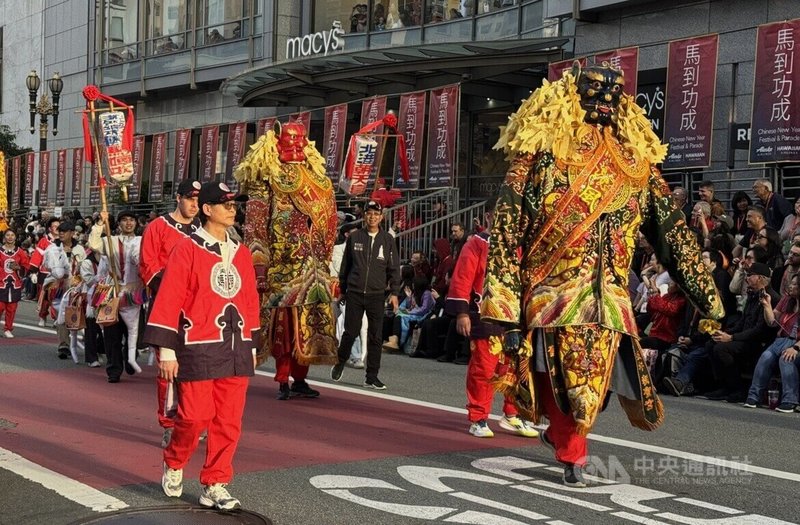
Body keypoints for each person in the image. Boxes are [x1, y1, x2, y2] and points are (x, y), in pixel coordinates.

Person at [480, 63, 723, 487]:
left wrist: (708, 298)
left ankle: (567, 439)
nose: (605, 100)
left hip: (611, 295)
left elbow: (672, 235)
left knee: (598, 382)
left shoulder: (636, 165)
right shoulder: (542, 157)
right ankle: (571, 449)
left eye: (613, 93)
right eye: (594, 92)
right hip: (552, 291)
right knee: (556, 375)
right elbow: (505, 230)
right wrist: (501, 300)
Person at [143, 181, 259, 511]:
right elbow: (169, 297)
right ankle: (175, 459)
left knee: (229, 421)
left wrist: (252, 343)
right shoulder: (188, 249)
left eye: (234, 204)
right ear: (208, 210)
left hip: (235, 345)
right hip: (197, 344)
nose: (232, 209)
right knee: (194, 418)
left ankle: (215, 482)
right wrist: (167, 349)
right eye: (225, 204)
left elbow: (250, 299)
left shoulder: (242, 252)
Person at [236, 121, 339, 400]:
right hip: (281, 265)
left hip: (314, 266)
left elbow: (328, 221)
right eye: (289, 139)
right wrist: (258, 264)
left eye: (300, 139)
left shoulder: (317, 179)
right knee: (285, 325)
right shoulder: (265, 179)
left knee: (311, 323)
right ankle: (282, 378)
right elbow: (255, 226)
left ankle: (300, 379)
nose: (295, 144)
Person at [444, 199, 539, 439]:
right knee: (484, 368)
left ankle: (512, 414)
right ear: (489, 215)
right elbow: (463, 278)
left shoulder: (518, 246)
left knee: (516, 367)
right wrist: (463, 313)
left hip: (515, 318)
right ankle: (478, 417)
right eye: (500, 213)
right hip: (484, 313)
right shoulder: (476, 244)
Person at [139, 179, 201, 447]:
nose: (194, 205)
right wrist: (172, 285)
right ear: (178, 198)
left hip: (200, 309)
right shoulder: (158, 227)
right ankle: (168, 422)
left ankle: (192, 419)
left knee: (198, 368)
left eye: (198, 201)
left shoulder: (204, 229)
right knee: (169, 370)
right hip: (167, 307)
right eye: (189, 199)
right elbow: (147, 265)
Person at [331, 200, 401, 389]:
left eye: (376, 214)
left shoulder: (387, 240)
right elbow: (345, 266)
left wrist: (394, 292)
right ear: (364, 215)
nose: (372, 217)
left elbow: (394, 268)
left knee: (375, 336)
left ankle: (372, 376)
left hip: (376, 294)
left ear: (381, 217)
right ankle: (341, 360)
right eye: (369, 213)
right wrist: (343, 291)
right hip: (354, 292)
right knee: (350, 332)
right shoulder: (355, 237)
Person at [89, 210, 145, 382]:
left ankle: (130, 356)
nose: (128, 223)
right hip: (112, 292)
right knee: (111, 334)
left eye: (132, 220)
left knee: (135, 332)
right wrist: (100, 223)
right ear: (119, 224)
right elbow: (94, 244)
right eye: (124, 220)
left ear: (136, 223)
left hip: (133, 294)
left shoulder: (142, 241)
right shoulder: (110, 241)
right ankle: (114, 369)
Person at [744, 273, 800, 412]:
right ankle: (754, 396)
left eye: (795, 284)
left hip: (797, 343)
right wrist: (767, 305)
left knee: (786, 359)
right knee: (765, 357)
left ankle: (790, 400)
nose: (790, 286)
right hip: (780, 340)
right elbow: (771, 321)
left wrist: (796, 348)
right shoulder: (786, 300)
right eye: (791, 283)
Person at [43, 222, 87, 360]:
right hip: (58, 287)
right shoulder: (52, 248)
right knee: (61, 314)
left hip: (76, 286)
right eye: (60, 231)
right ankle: (63, 345)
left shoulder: (80, 249)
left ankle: (89, 342)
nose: (61, 233)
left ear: (72, 233)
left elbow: (85, 267)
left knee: (81, 314)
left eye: (65, 231)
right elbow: (46, 265)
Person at [29, 216, 60, 327]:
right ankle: (42, 316)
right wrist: (33, 272)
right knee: (44, 298)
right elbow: (37, 256)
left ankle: (57, 318)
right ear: (50, 229)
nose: (57, 228)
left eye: (58, 226)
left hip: (59, 274)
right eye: (54, 226)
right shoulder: (44, 241)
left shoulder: (63, 241)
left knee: (57, 297)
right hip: (45, 273)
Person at [0, 229, 30, 338]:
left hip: (14, 284)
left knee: (12, 308)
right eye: (7, 235)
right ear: (4, 237)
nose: (10, 237)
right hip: (1, 283)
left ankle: (8, 328)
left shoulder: (20, 251)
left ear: (15, 237)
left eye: (12, 235)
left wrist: (19, 268)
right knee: (0, 307)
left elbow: (26, 265)